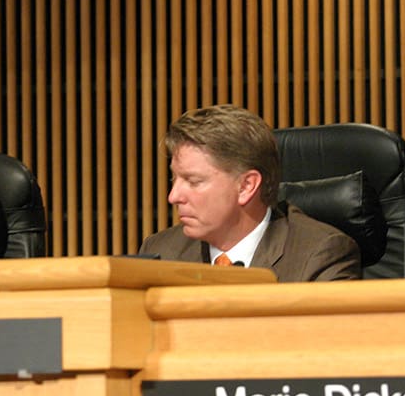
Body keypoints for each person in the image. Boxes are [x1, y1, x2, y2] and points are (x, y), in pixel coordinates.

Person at [139, 104, 360, 281]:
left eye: (193, 181)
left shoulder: (319, 255)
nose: (173, 196)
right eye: (174, 178)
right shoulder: (161, 251)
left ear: (246, 186)